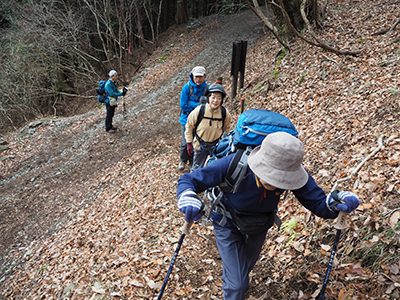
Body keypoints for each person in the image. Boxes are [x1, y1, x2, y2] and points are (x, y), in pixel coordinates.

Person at [176, 132, 360, 300]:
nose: (276, 183)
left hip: (259, 226)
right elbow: (189, 180)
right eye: (272, 176)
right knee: (238, 284)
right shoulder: (234, 164)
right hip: (227, 222)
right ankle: (233, 289)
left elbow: (319, 204)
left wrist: (337, 202)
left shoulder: (293, 171)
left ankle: (232, 282)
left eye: (282, 179)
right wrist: (187, 195)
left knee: (242, 272)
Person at [185, 83, 232, 172]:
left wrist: (224, 141)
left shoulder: (224, 113)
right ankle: (194, 184)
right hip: (200, 145)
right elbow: (189, 126)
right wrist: (189, 143)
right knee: (196, 169)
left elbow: (227, 128)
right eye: (213, 97)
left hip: (216, 146)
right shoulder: (199, 110)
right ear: (208, 98)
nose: (215, 100)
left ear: (222, 100)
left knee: (214, 169)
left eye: (219, 98)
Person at [178, 66, 209, 171]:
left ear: (204, 77)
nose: (198, 79)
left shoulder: (207, 89)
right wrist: (198, 105)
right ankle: (183, 160)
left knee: (196, 142)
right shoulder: (186, 88)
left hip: (199, 120)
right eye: (196, 77)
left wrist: (192, 103)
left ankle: (192, 161)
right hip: (186, 119)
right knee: (185, 142)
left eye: (200, 77)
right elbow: (183, 105)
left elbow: (208, 105)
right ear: (192, 76)